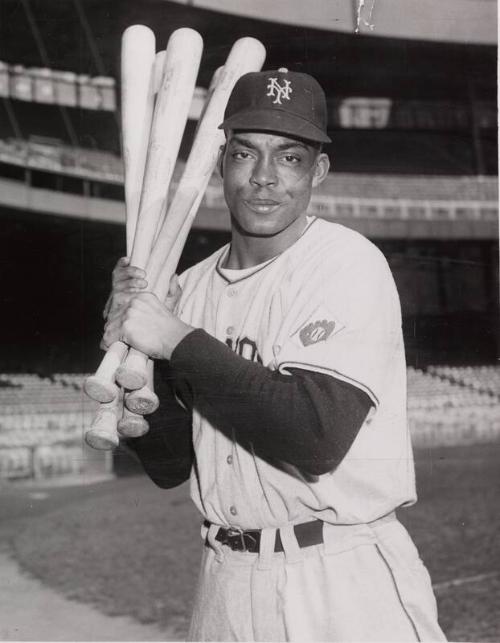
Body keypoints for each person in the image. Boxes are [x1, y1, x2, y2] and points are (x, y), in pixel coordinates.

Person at [102, 68, 446, 642]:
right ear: (220, 163)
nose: (264, 179)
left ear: (319, 171)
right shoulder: (185, 289)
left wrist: (175, 340)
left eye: (288, 158)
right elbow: (169, 466)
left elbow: (314, 436)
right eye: (244, 155)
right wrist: (126, 350)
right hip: (224, 585)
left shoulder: (345, 263)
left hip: (339, 580)